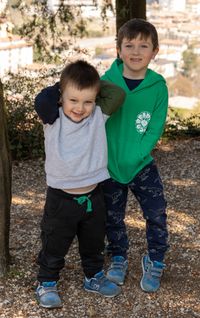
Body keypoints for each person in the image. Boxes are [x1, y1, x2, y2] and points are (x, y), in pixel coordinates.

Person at [34, 60, 125, 308]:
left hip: (94, 194)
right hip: (61, 198)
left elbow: (117, 94)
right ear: (61, 98)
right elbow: (41, 100)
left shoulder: (98, 116)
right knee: (55, 242)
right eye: (73, 100)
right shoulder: (52, 118)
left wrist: (92, 84)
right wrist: (63, 85)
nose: (80, 107)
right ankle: (47, 281)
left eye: (88, 101)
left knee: (94, 241)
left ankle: (93, 276)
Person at [101, 18, 169, 293]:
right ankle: (118, 257)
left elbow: (154, 128)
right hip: (108, 166)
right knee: (112, 217)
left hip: (142, 165)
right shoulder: (105, 83)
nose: (136, 51)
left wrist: (138, 154)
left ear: (155, 51)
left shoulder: (158, 87)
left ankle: (155, 260)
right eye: (129, 45)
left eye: (144, 45)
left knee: (157, 214)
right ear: (118, 50)